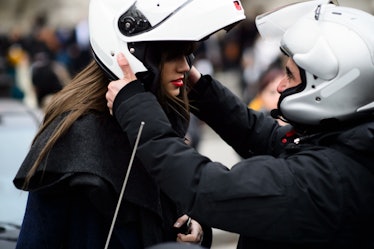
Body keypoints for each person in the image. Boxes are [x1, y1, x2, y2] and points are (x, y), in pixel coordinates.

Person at [105, 1, 374, 248]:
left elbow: (205, 187)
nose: (280, 85)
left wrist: (135, 108)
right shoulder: (350, 144)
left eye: (290, 76)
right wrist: (201, 90)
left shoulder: (326, 182)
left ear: (332, 88)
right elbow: (267, 138)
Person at [12, 0, 245, 248]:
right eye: (173, 55)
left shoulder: (163, 119)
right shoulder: (72, 137)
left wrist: (197, 228)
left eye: (187, 53)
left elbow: (179, 205)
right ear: (138, 55)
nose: (186, 66)